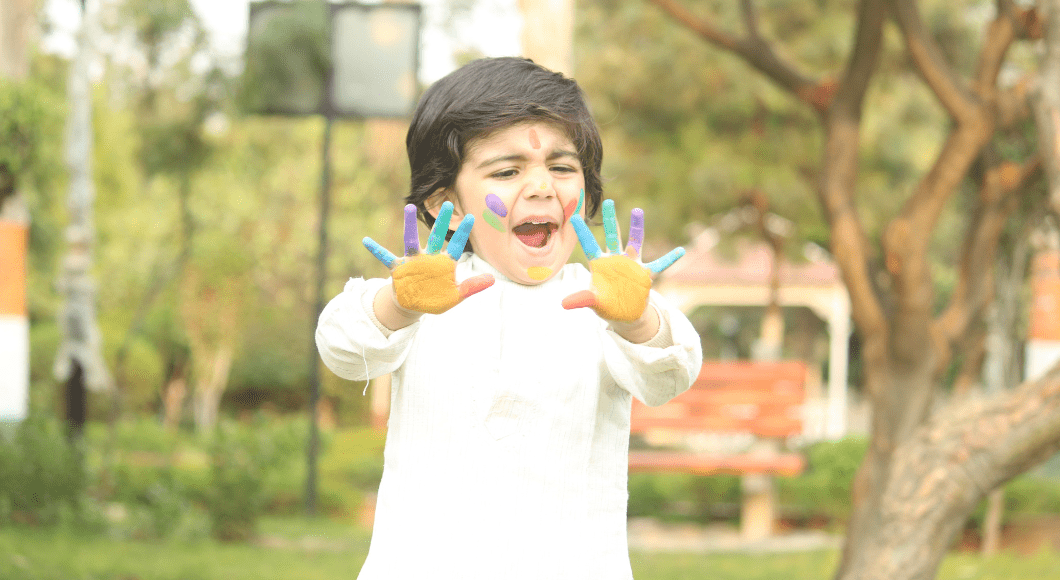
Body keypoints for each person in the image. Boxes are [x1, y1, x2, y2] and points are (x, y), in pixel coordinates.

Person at [316, 57, 702, 580]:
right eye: (507, 170)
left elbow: (671, 374)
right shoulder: (425, 295)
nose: (543, 186)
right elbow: (341, 346)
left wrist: (637, 321)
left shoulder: (604, 304)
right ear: (444, 199)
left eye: (563, 167)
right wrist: (399, 304)